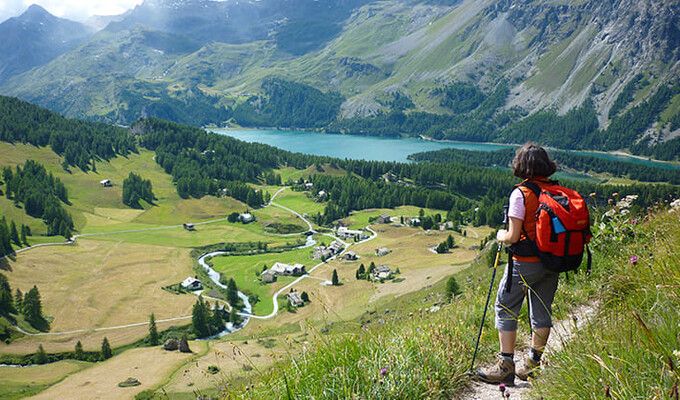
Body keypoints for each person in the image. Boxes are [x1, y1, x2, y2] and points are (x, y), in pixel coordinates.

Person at [476, 142, 559, 385]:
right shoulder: (555, 190)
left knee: (505, 307)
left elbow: (512, 236)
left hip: (525, 264)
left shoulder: (521, 194)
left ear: (521, 166)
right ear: (545, 165)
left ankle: (505, 366)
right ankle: (533, 364)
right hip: (552, 262)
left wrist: (499, 235)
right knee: (542, 311)